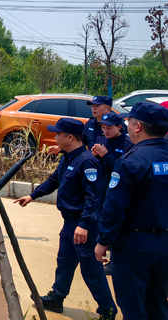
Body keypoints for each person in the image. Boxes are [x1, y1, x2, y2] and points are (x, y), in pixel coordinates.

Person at [15, 118, 116, 319]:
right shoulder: (67, 157)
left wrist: (85, 225)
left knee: (91, 271)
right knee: (64, 263)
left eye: (58, 134)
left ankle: (107, 311)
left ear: (70, 137)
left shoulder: (87, 161)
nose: (56, 137)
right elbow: (54, 180)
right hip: (69, 224)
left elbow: (92, 198)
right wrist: (32, 195)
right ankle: (57, 298)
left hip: (83, 227)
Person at [95, 101, 168, 319]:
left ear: (138, 127)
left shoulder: (130, 161)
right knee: (158, 304)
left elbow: (115, 206)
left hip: (134, 246)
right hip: (164, 245)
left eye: (129, 122)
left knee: (133, 307)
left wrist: (103, 241)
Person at [91, 112, 133, 275]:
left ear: (119, 127)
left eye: (109, 128)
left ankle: (114, 261)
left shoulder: (127, 144)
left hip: (116, 188)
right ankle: (104, 250)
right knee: (102, 217)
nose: (105, 131)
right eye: (103, 128)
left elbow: (122, 169)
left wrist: (105, 155)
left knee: (114, 222)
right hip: (102, 187)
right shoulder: (103, 140)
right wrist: (96, 156)